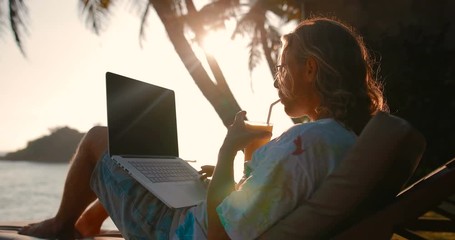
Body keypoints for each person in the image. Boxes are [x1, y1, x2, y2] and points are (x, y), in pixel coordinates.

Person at [19, 16, 388, 239]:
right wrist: (243, 160)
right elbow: (265, 200)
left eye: (283, 67)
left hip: (177, 232)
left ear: (310, 69)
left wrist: (228, 150)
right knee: (142, 166)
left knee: (98, 138)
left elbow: (221, 234)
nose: (278, 81)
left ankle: (60, 225)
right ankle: (83, 226)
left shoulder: (307, 143)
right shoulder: (339, 140)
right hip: (196, 215)